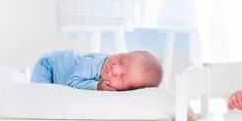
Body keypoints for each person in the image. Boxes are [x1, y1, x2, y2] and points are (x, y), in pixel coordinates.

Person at [30, 49, 163, 91]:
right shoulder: (92, 64)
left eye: (122, 78)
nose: (114, 69)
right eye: (121, 60)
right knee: (40, 96)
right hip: (49, 67)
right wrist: (98, 86)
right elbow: (73, 82)